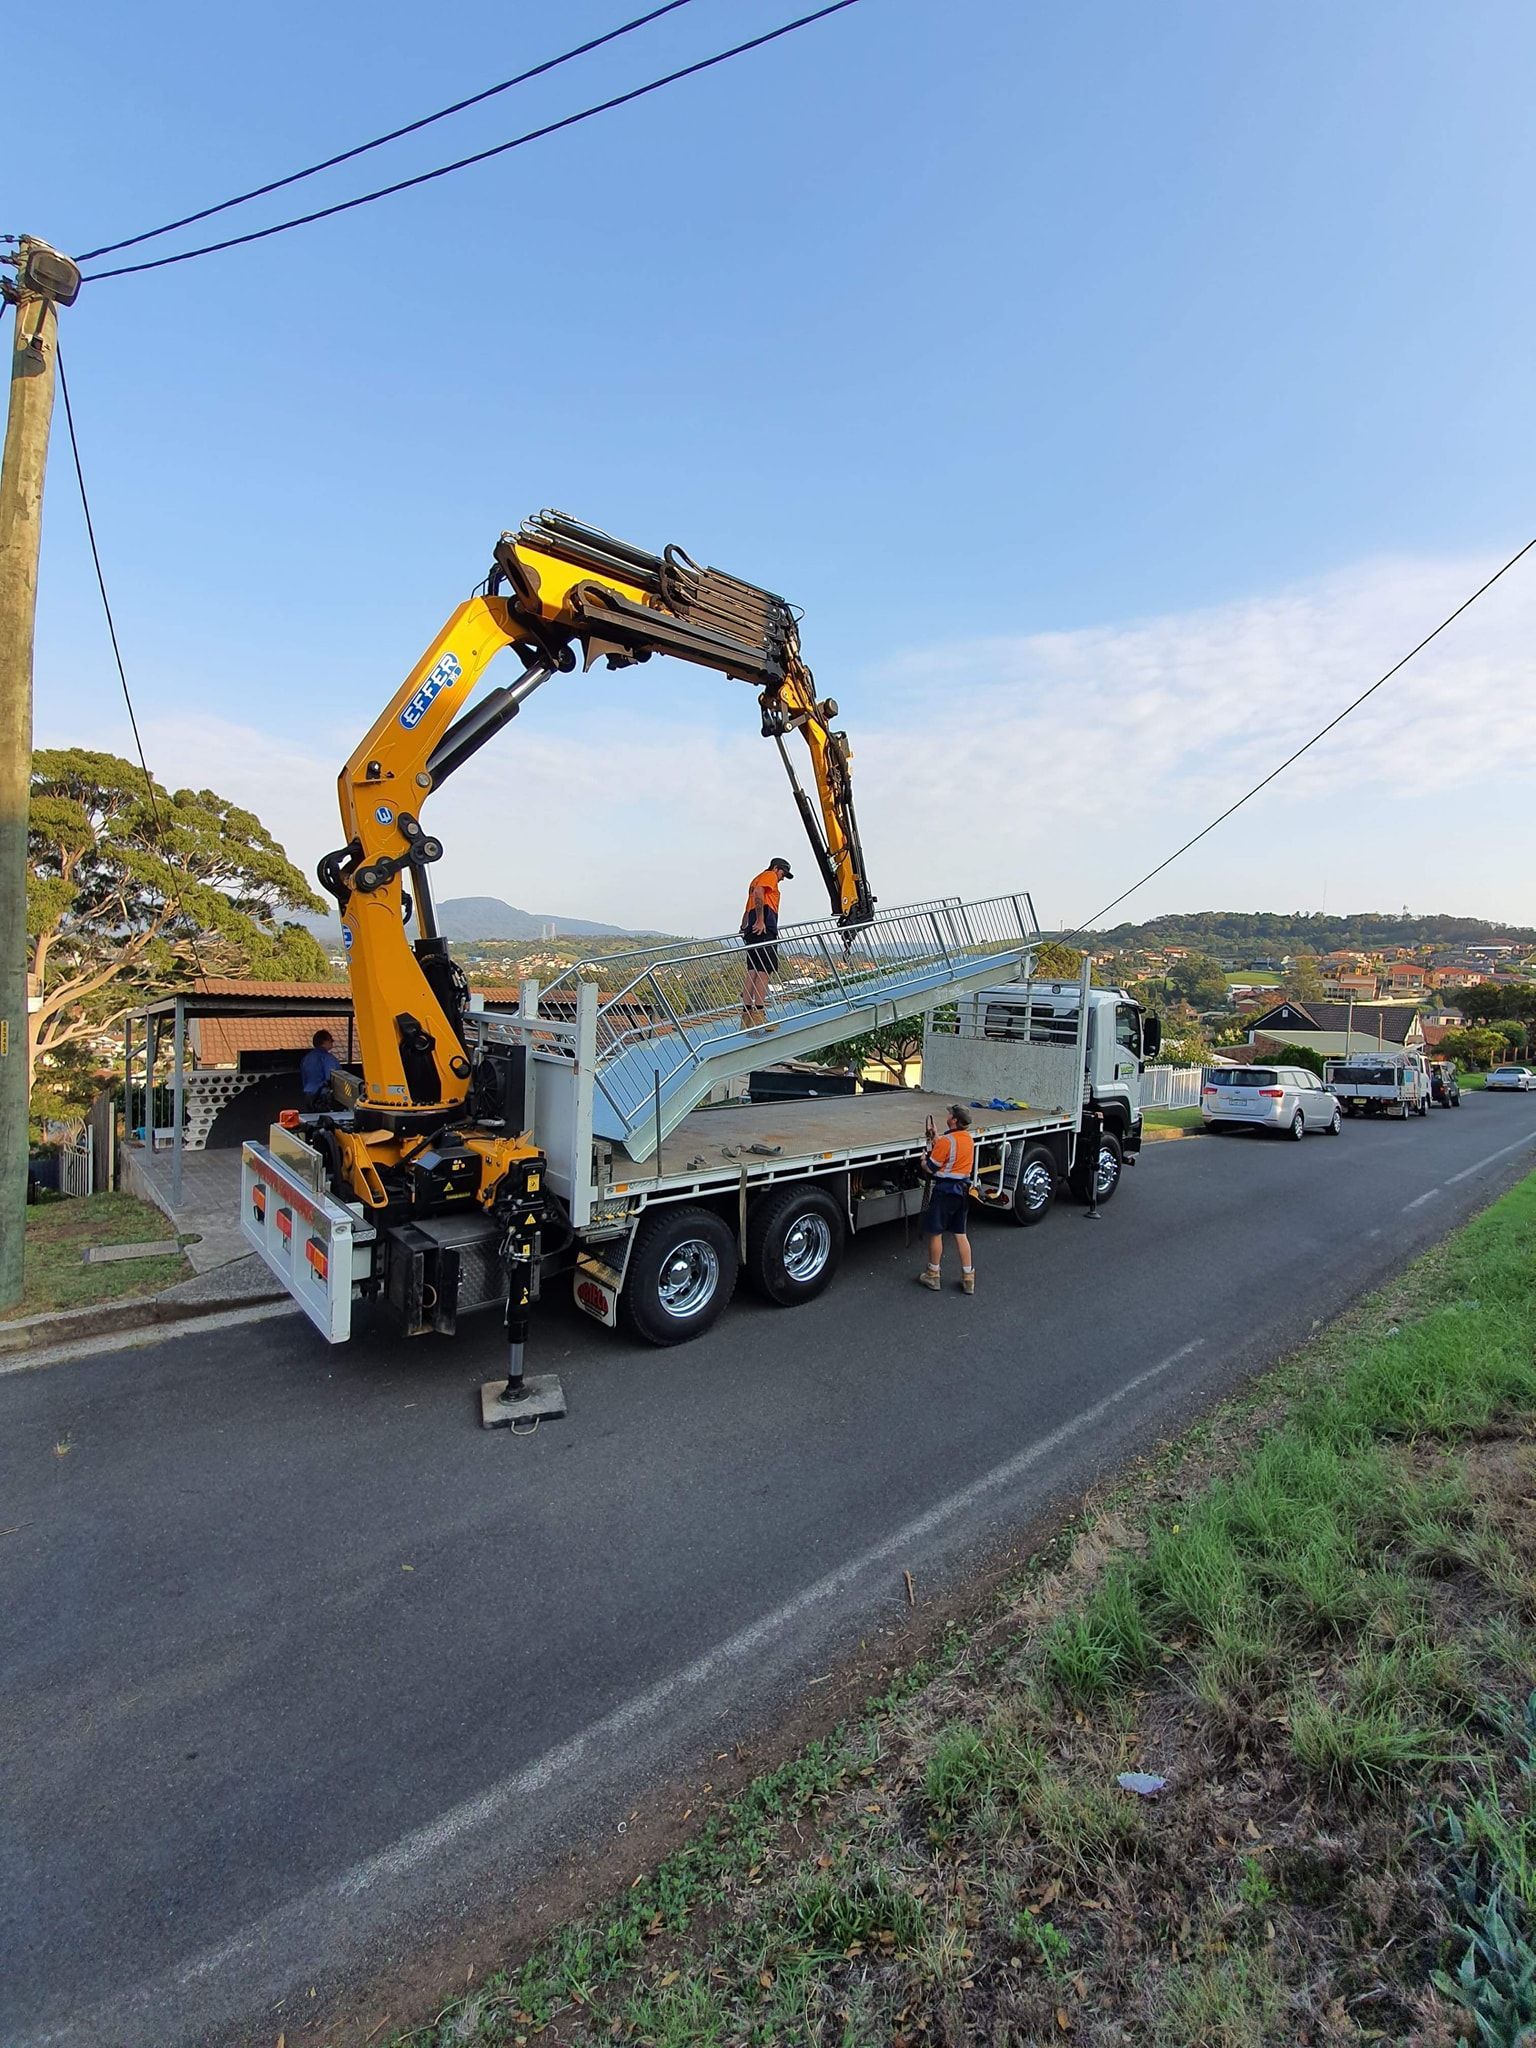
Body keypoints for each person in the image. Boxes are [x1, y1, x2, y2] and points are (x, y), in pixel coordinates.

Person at [918, 1103, 976, 1294]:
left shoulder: (946, 1142)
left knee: (936, 1232)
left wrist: (923, 1162)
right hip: (962, 1192)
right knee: (960, 1234)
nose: (948, 1115)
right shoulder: (968, 1140)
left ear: (954, 1120)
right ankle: (968, 1278)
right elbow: (951, 1152)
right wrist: (936, 1137)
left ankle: (933, 1274)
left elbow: (932, 1168)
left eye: (950, 1114)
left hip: (944, 1192)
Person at [739, 856, 793, 1028]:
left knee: (753, 970)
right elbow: (759, 894)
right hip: (764, 927)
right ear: (776, 868)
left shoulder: (755, 879)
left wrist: (744, 923)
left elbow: (750, 903)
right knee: (764, 970)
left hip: (752, 927)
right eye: (783, 873)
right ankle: (760, 1015)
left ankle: (746, 1015)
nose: (782, 878)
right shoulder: (769, 876)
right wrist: (761, 920)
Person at [299, 1029, 340, 1109]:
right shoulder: (328, 1058)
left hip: (308, 1094)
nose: (333, 1042)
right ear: (324, 1042)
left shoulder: (306, 1058)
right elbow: (331, 1078)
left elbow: (304, 1077)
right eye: (331, 1040)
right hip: (323, 1096)